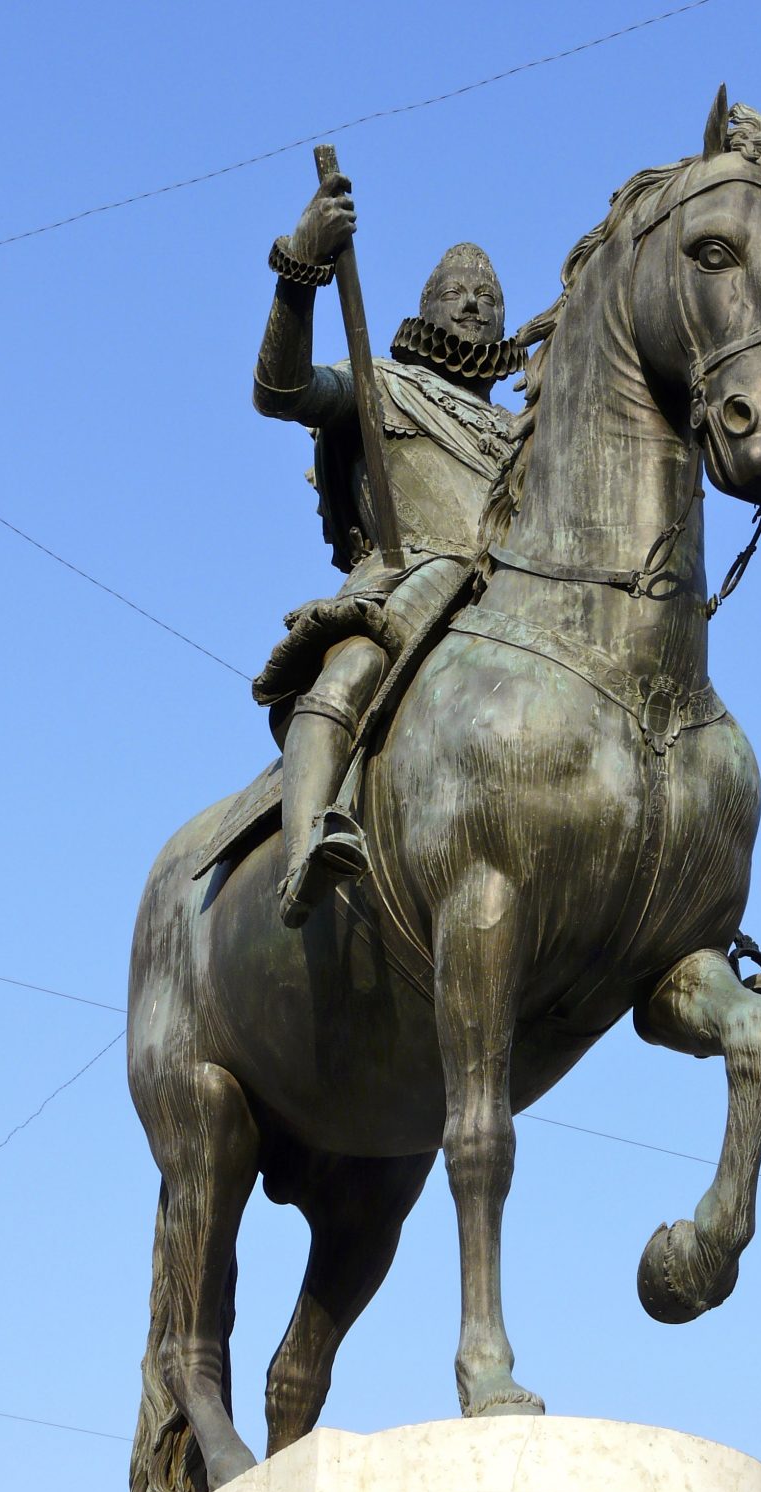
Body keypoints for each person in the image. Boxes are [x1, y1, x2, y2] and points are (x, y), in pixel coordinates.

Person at [252, 170, 522, 927]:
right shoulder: (382, 384)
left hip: (508, 605)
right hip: (402, 589)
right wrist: (299, 275)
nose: (474, 303)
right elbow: (281, 390)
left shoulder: (523, 433)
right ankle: (308, 840)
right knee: (354, 670)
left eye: (489, 297)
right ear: (426, 305)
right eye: (458, 291)